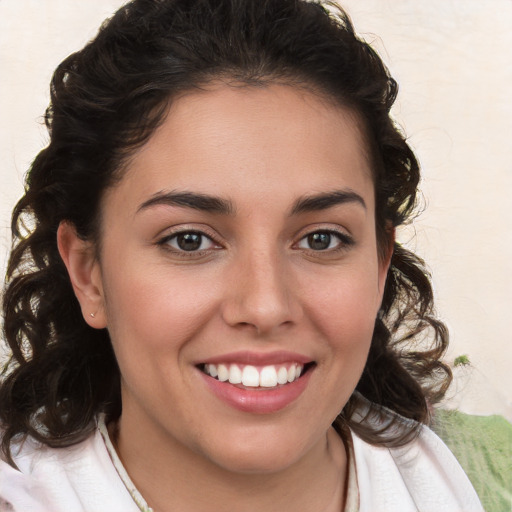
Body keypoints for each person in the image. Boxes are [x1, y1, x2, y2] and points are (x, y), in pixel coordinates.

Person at [0, 0, 483, 510]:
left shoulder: (485, 477)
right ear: (88, 274)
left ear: (381, 264)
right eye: (189, 239)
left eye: (322, 238)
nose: (265, 306)